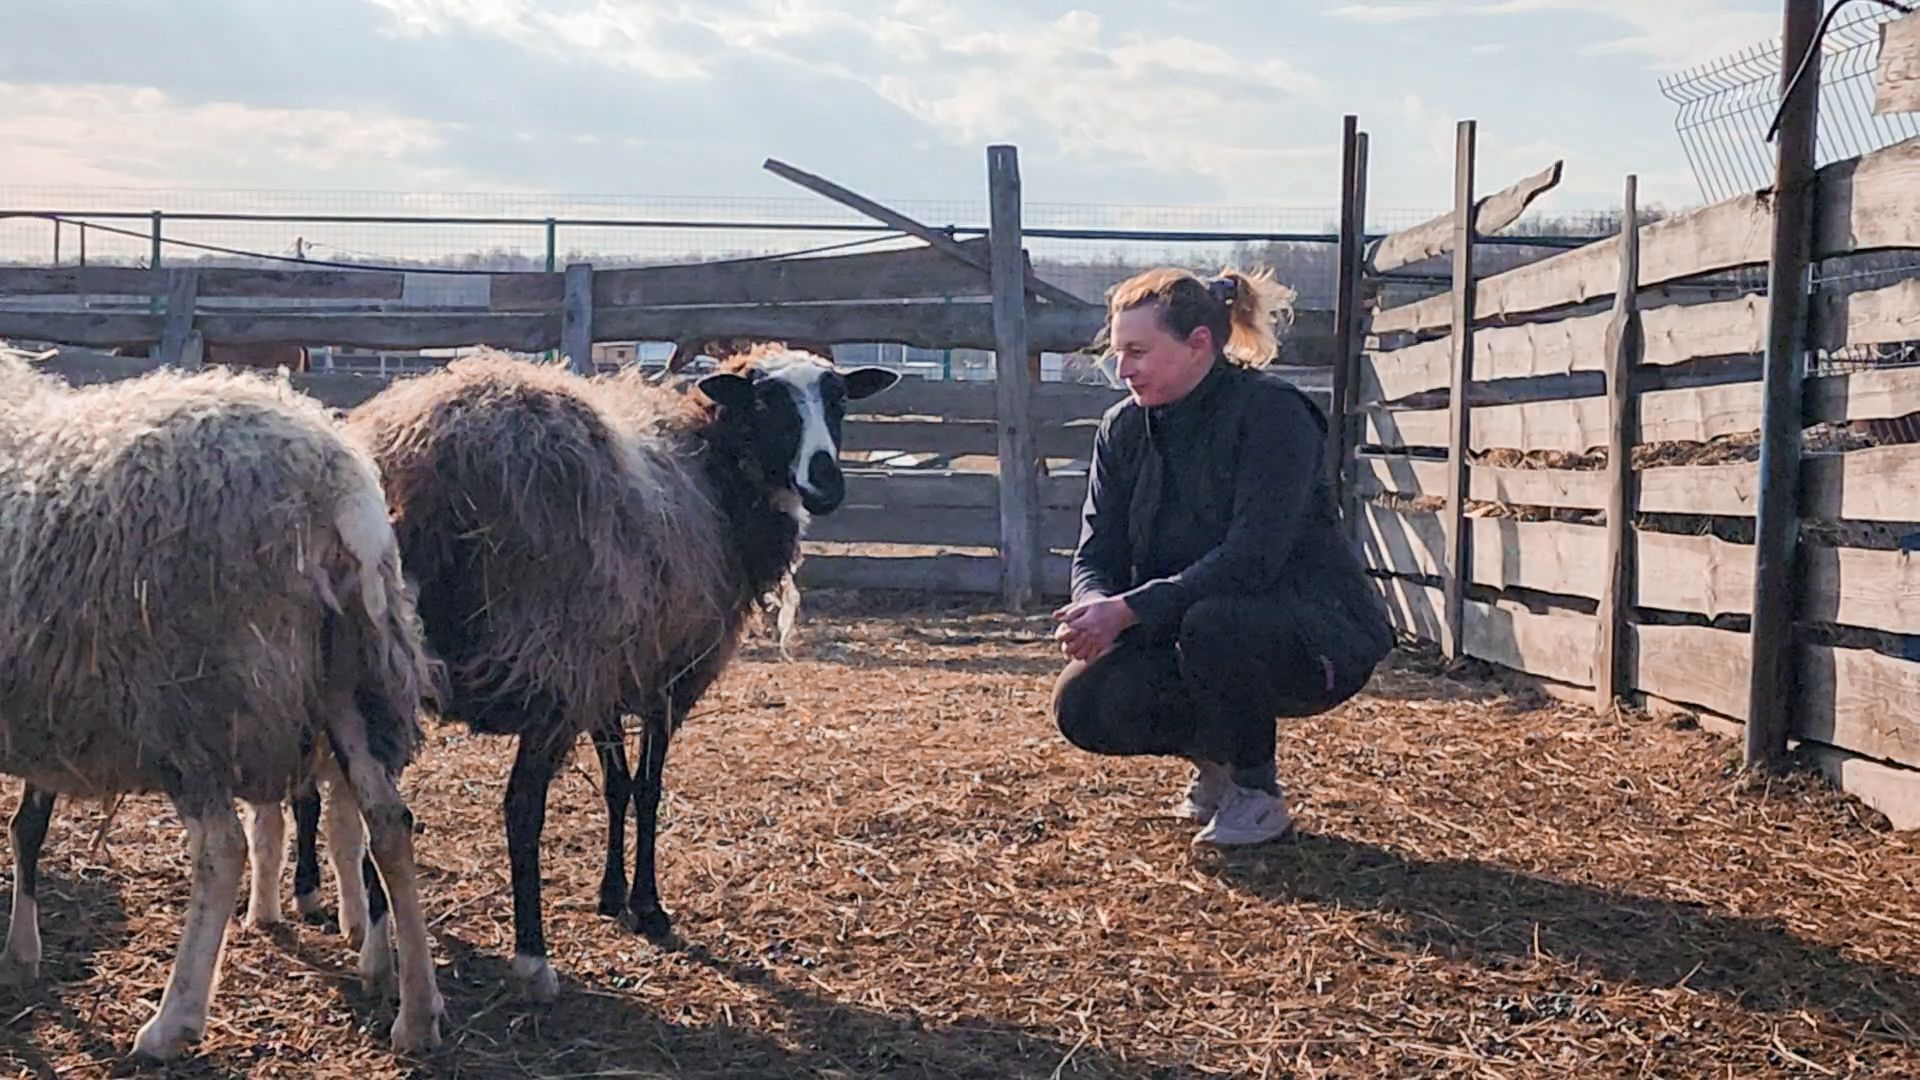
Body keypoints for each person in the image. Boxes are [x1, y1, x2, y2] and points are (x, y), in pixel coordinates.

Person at [1049, 265, 1394, 846]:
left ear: (1199, 345)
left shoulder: (1273, 415)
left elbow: (1252, 558)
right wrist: (1095, 606)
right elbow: (1096, 547)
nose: (1122, 368)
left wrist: (1129, 610)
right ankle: (1218, 762)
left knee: (1217, 621)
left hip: (1309, 633)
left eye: (1137, 350)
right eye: (1117, 353)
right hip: (1184, 622)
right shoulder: (1123, 429)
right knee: (1082, 702)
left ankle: (1257, 792)